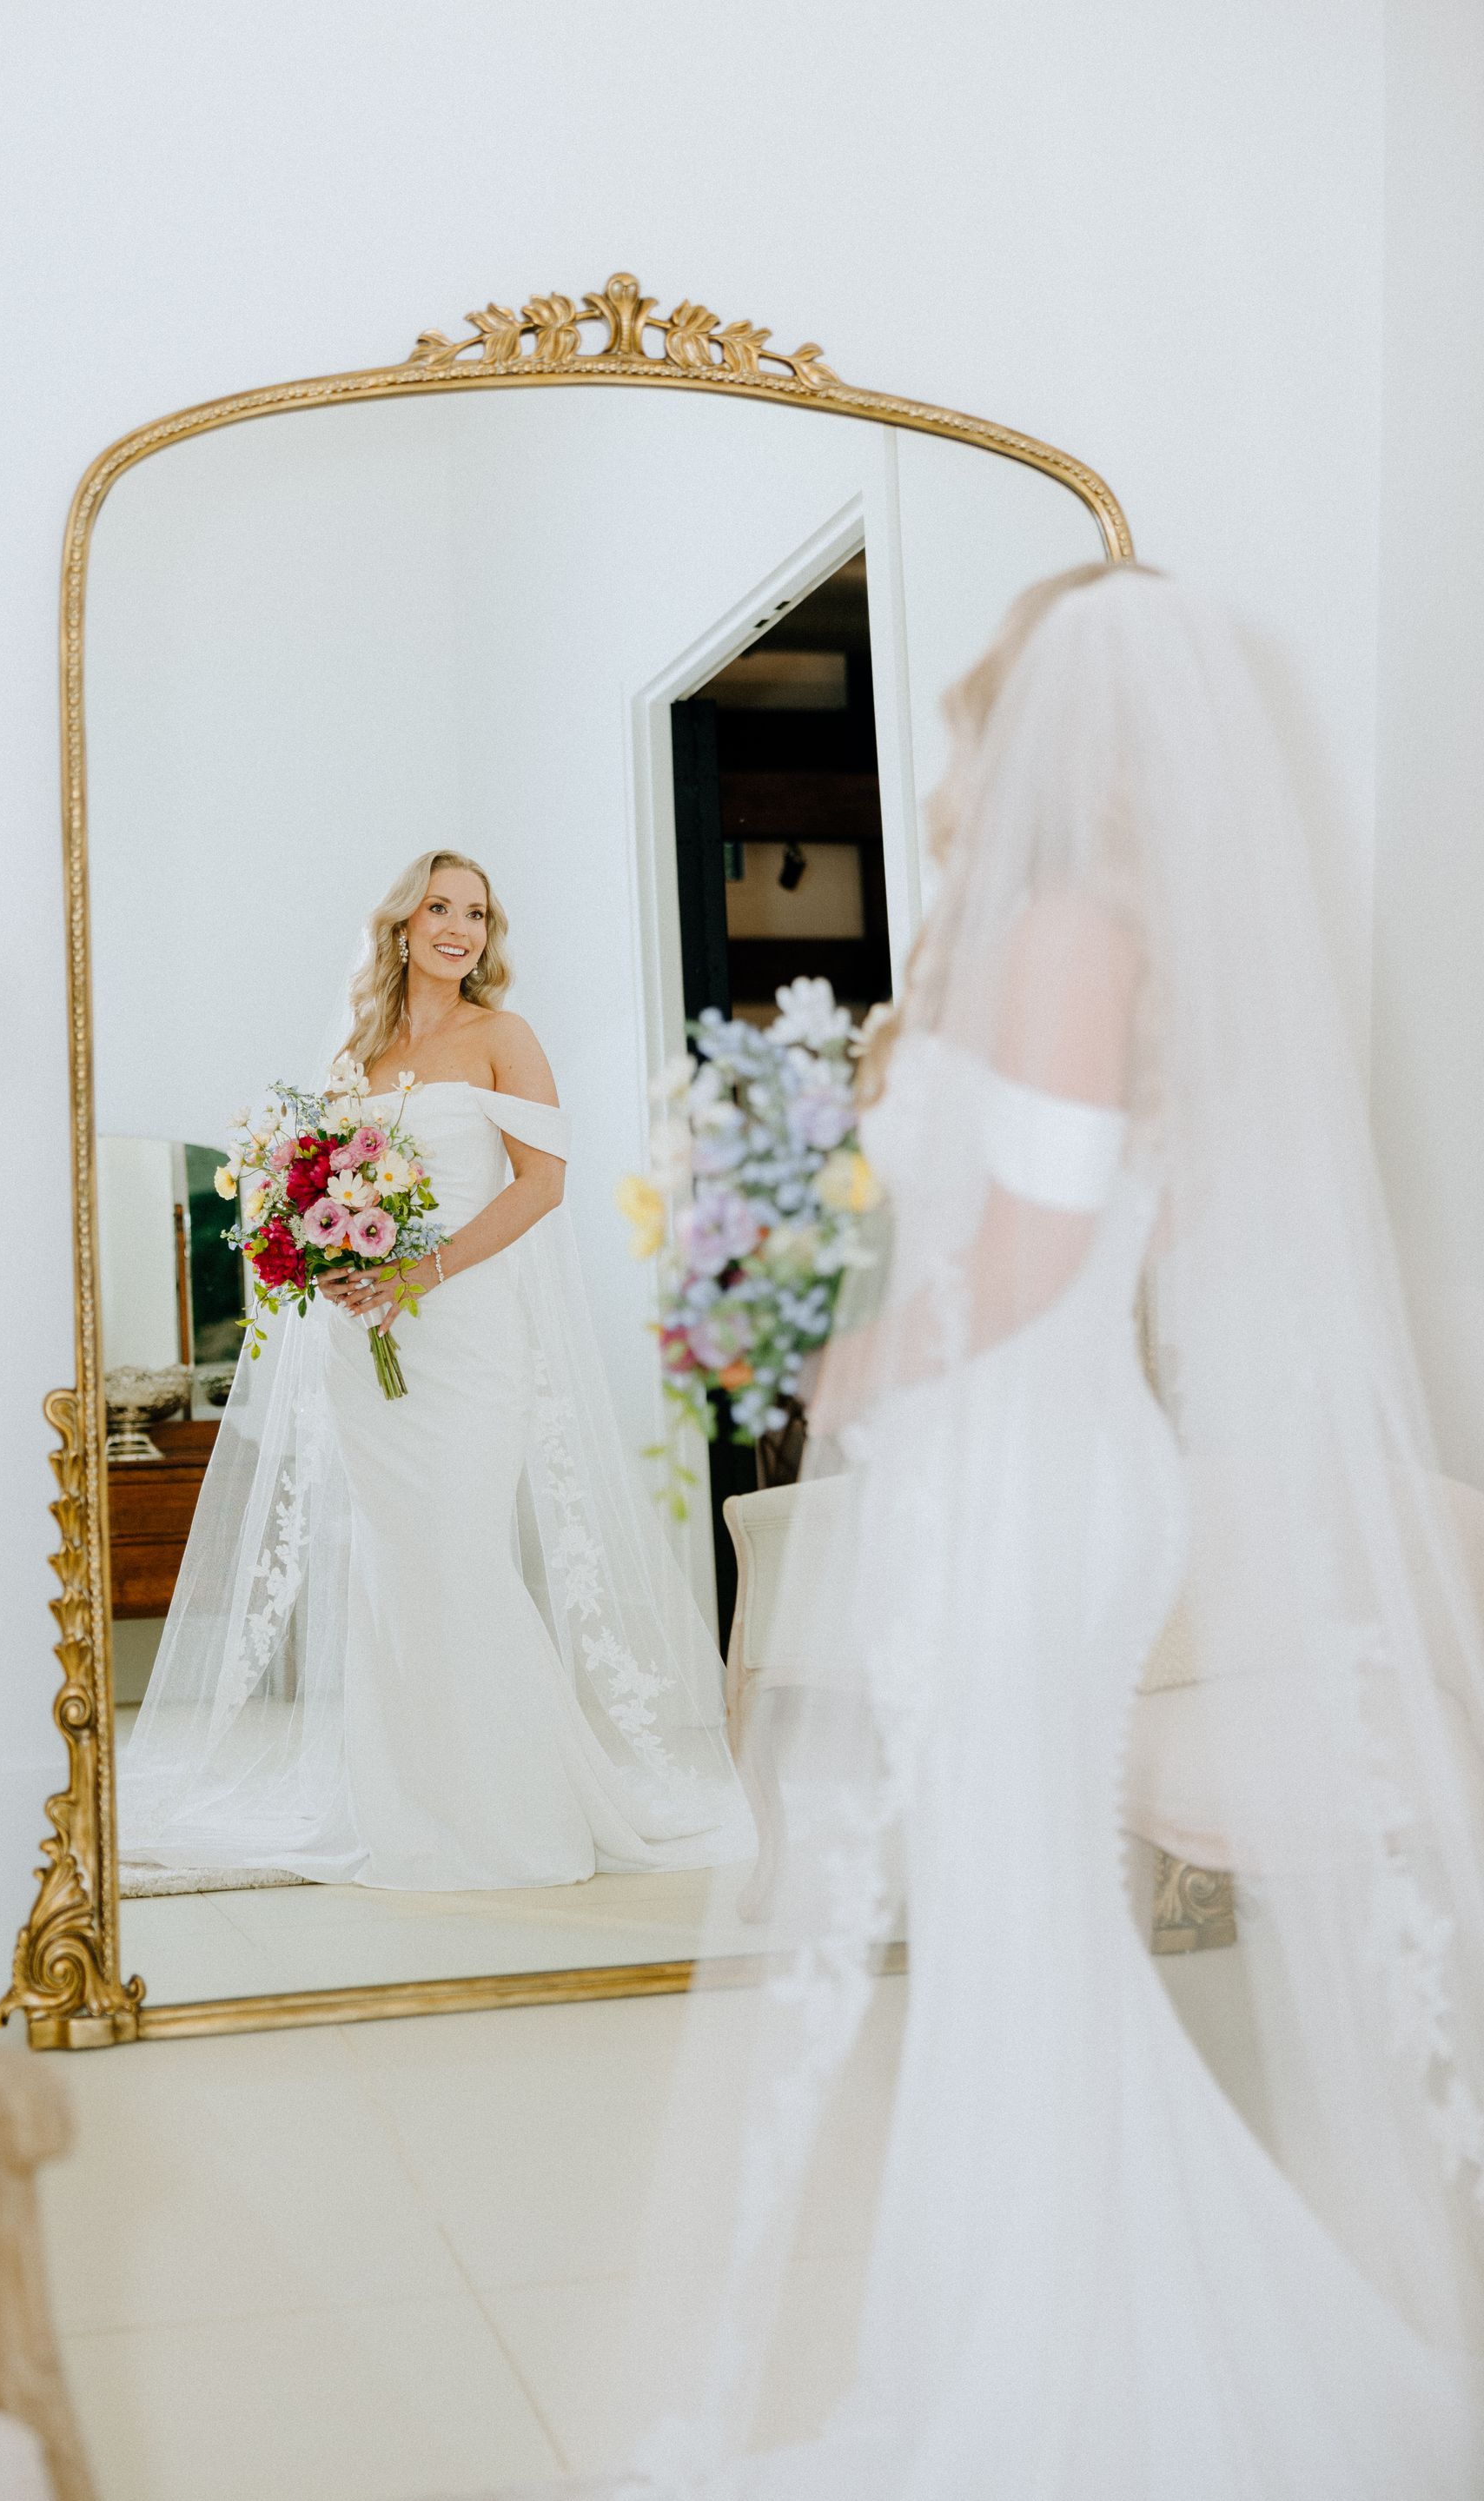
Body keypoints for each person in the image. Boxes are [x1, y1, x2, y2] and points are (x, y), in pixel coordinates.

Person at [521, 567, 1484, 2498]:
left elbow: (1038, 1246)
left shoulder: (1064, 926)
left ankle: (1073, 2396)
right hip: (1024, 1463)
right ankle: (1045, 2357)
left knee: (1022, 1928)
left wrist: (849, 1362)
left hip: (1030, 1480)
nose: (975, 733)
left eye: (992, 700)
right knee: (1011, 1930)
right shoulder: (1081, 933)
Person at [121, 850, 753, 1890]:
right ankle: (404, 1803)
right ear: (403, 924)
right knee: (391, 1571)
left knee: (459, 1555)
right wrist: (320, 1254)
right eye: (440, 907)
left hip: (466, 1339)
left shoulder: (505, 1038)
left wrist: (424, 1268)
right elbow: (306, 1190)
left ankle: (515, 1810)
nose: (460, 927)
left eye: (477, 912)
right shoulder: (355, 1054)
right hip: (363, 1352)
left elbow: (544, 1184)